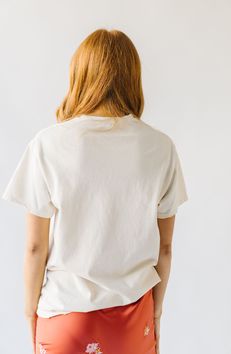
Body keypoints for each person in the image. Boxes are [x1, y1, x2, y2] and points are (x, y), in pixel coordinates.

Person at [1, 28, 188, 354]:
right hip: (133, 316)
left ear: (80, 74)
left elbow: (34, 248)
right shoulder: (161, 147)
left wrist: (29, 312)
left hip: (64, 316)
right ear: (133, 77)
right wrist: (156, 313)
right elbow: (166, 248)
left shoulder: (48, 144)